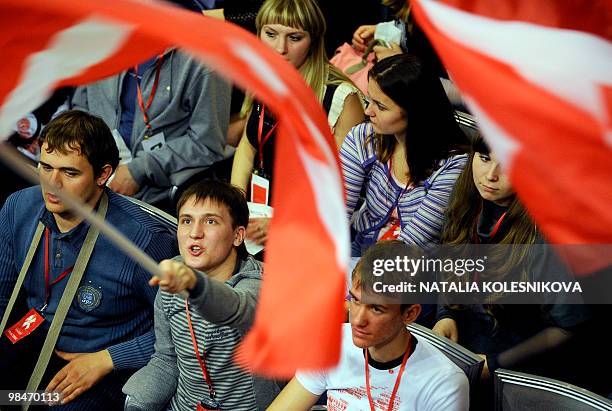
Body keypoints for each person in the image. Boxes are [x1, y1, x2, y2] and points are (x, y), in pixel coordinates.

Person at [0, 110, 178, 409]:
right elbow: (2, 294)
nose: (52, 183)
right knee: (7, 400)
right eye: (46, 167)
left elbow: (179, 334)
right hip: (37, 343)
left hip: (100, 366)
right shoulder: (19, 207)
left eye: (70, 173)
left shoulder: (144, 241)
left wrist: (109, 359)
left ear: (103, 175)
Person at [433, 135, 592, 394]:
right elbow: (451, 263)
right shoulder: (466, 196)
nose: (490, 175)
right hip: (470, 339)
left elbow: (567, 328)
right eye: (484, 159)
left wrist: (497, 364)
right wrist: (446, 314)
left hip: (521, 361)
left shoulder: (547, 233)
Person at [123, 180, 280, 410]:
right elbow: (167, 360)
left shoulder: (259, 283)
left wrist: (195, 284)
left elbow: (236, 308)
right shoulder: (173, 276)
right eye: (186, 221)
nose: (195, 233)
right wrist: (136, 403)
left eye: (210, 221)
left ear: (238, 236)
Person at [268, 240, 469, 411]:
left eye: (376, 309)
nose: (357, 320)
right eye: (355, 300)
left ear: (409, 314)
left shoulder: (444, 384)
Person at [230, 0, 365, 245]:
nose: (280, 48)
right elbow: (248, 147)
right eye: (270, 34)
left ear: (313, 40)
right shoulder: (265, 77)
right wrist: (236, 200)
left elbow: (342, 189)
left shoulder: (341, 98)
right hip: (259, 216)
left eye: (294, 38)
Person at [72, 47, 231, 212]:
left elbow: (207, 143)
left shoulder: (205, 61)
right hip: (91, 171)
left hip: (154, 190)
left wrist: (140, 169)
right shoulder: (107, 38)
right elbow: (80, 108)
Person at [341, 54, 467, 257]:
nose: (367, 111)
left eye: (381, 107)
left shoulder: (453, 165)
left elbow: (408, 246)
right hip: (358, 252)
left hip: (412, 271)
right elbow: (336, 213)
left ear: (415, 112)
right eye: (369, 100)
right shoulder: (363, 137)